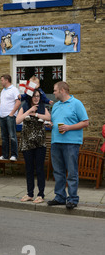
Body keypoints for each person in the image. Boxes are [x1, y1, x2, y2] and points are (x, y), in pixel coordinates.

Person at [48, 81, 89, 209]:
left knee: (71, 172)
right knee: (58, 172)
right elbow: (54, 121)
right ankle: (60, 197)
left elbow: (85, 122)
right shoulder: (55, 106)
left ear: (62, 90)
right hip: (56, 142)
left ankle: (72, 199)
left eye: (55, 90)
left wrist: (69, 127)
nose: (53, 93)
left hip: (71, 143)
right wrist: (50, 124)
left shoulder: (77, 104)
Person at [16, 89, 51, 203]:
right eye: (34, 96)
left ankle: (41, 194)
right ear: (30, 97)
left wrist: (36, 113)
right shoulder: (25, 106)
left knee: (40, 169)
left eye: (38, 96)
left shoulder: (42, 107)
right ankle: (29, 193)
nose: (37, 98)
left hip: (40, 142)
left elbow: (48, 118)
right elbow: (17, 120)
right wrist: (29, 111)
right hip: (27, 142)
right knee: (29, 169)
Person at [0, 74, 21, 161]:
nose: (1, 82)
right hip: (2, 116)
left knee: (12, 136)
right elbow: (1, 102)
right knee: (4, 137)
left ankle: (14, 155)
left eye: (2, 80)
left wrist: (12, 113)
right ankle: (5, 155)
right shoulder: (3, 91)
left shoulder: (14, 89)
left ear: (7, 80)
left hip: (9, 116)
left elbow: (18, 102)